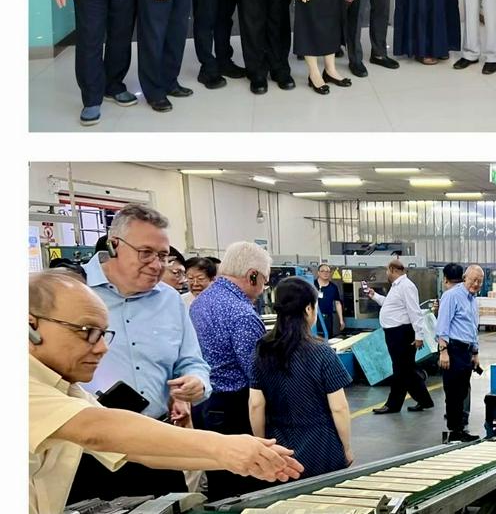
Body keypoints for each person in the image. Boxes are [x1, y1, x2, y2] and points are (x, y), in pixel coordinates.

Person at [29, 271, 303, 514]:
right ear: (30, 325)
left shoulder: (66, 390)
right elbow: (97, 430)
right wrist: (225, 447)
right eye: (87, 332)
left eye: (103, 334)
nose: (102, 348)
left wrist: (235, 459)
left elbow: (133, 447)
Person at [67, 204, 212, 502]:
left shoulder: (170, 301)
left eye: (162, 255)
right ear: (115, 245)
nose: (156, 264)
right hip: (85, 451)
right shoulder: (70, 292)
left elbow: (192, 361)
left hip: (154, 443)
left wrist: (196, 382)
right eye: (145, 253)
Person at [190, 242, 272, 499]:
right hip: (234, 409)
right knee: (245, 483)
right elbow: (256, 373)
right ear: (253, 275)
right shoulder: (242, 315)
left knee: (219, 479)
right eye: (264, 281)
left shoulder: (200, 303)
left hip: (203, 403)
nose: (263, 289)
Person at [250, 277, 354, 478]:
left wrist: (262, 447)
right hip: (322, 446)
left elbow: (255, 404)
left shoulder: (262, 350)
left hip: (280, 448)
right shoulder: (321, 351)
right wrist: (346, 448)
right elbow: (339, 407)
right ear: (308, 309)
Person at [367, 259, 434, 414]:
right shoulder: (397, 287)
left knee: (400, 370)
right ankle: (424, 401)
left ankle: (393, 404)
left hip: (402, 334)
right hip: (394, 333)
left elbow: (414, 311)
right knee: (405, 370)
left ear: (392, 269)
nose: (386, 273)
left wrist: (419, 335)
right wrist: (374, 296)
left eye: (386, 270)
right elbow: (390, 305)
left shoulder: (406, 286)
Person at [435, 264, 484, 442]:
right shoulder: (451, 296)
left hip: (465, 352)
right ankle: (454, 431)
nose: (476, 284)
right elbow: (442, 326)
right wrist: (443, 351)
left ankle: (459, 429)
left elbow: (473, 328)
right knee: (453, 393)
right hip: (452, 350)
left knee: (462, 392)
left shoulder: (472, 300)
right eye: (473, 280)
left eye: (480, 281)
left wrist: (475, 353)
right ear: (465, 277)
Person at [314, 263, 344, 338]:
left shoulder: (333, 287)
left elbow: (337, 303)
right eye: (323, 271)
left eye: (327, 271)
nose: (325, 273)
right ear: (318, 273)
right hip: (314, 318)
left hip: (327, 318)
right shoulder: (312, 285)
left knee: (327, 338)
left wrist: (341, 320)